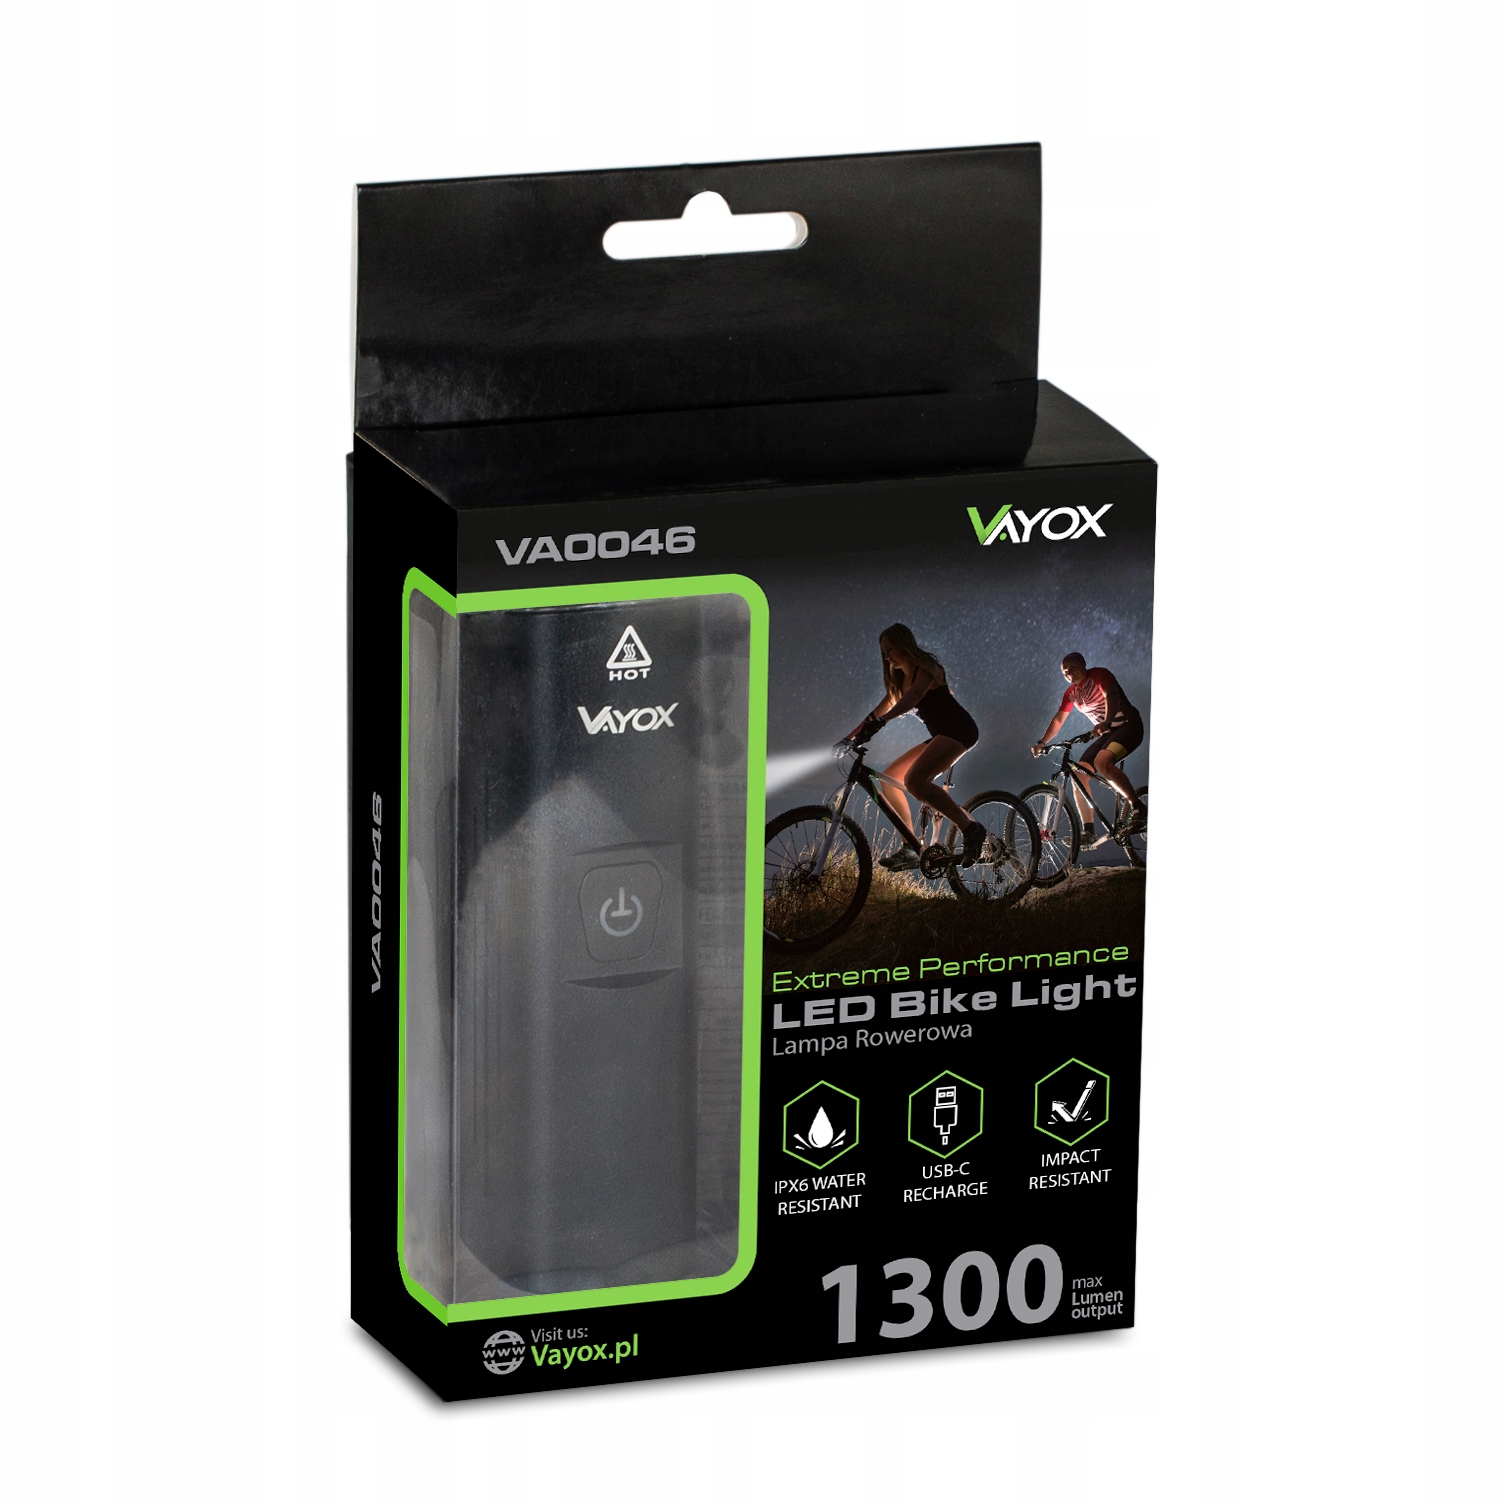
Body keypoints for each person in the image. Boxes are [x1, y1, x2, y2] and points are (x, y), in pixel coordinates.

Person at [845, 624, 986, 869]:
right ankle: (910, 846)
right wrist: (848, 738)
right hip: (941, 735)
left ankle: (971, 829)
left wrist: (882, 722)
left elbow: (915, 696)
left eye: (890, 649)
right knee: (890, 778)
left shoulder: (927, 667)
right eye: (883, 652)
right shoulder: (899, 682)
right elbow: (876, 713)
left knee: (915, 782)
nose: (887, 656)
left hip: (960, 730)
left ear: (904, 644)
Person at [1031, 653, 1147, 840]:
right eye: (1065, 672)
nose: (1070, 674)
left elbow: (1111, 695)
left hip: (1128, 726)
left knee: (1102, 762)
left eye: (1073, 668)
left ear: (1083, 664)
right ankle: (1089, 831)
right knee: (1079, 775)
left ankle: (1138, 807)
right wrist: (1042, 742)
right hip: (1107, 733)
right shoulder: (1071, 693)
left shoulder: (1099, 675)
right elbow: (1059, 719)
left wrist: (1107, 721)